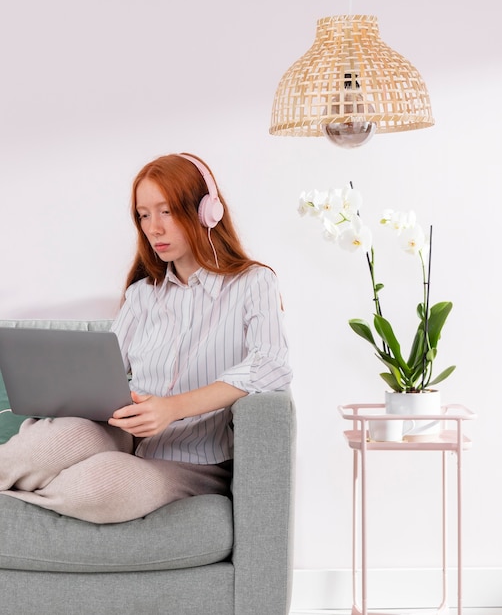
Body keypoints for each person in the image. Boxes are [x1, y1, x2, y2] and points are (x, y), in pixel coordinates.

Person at [0, 152, 292, 523]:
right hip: (126, 439)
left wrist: (173, 408)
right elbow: (102, 374)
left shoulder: (254, 283)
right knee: (66, 435)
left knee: (99, 484)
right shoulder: (142, 295)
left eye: (166, 211)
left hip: (195, 463)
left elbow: (271, 364)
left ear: (207, 212)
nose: (153, 228)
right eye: (143, 215)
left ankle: (22, 492)